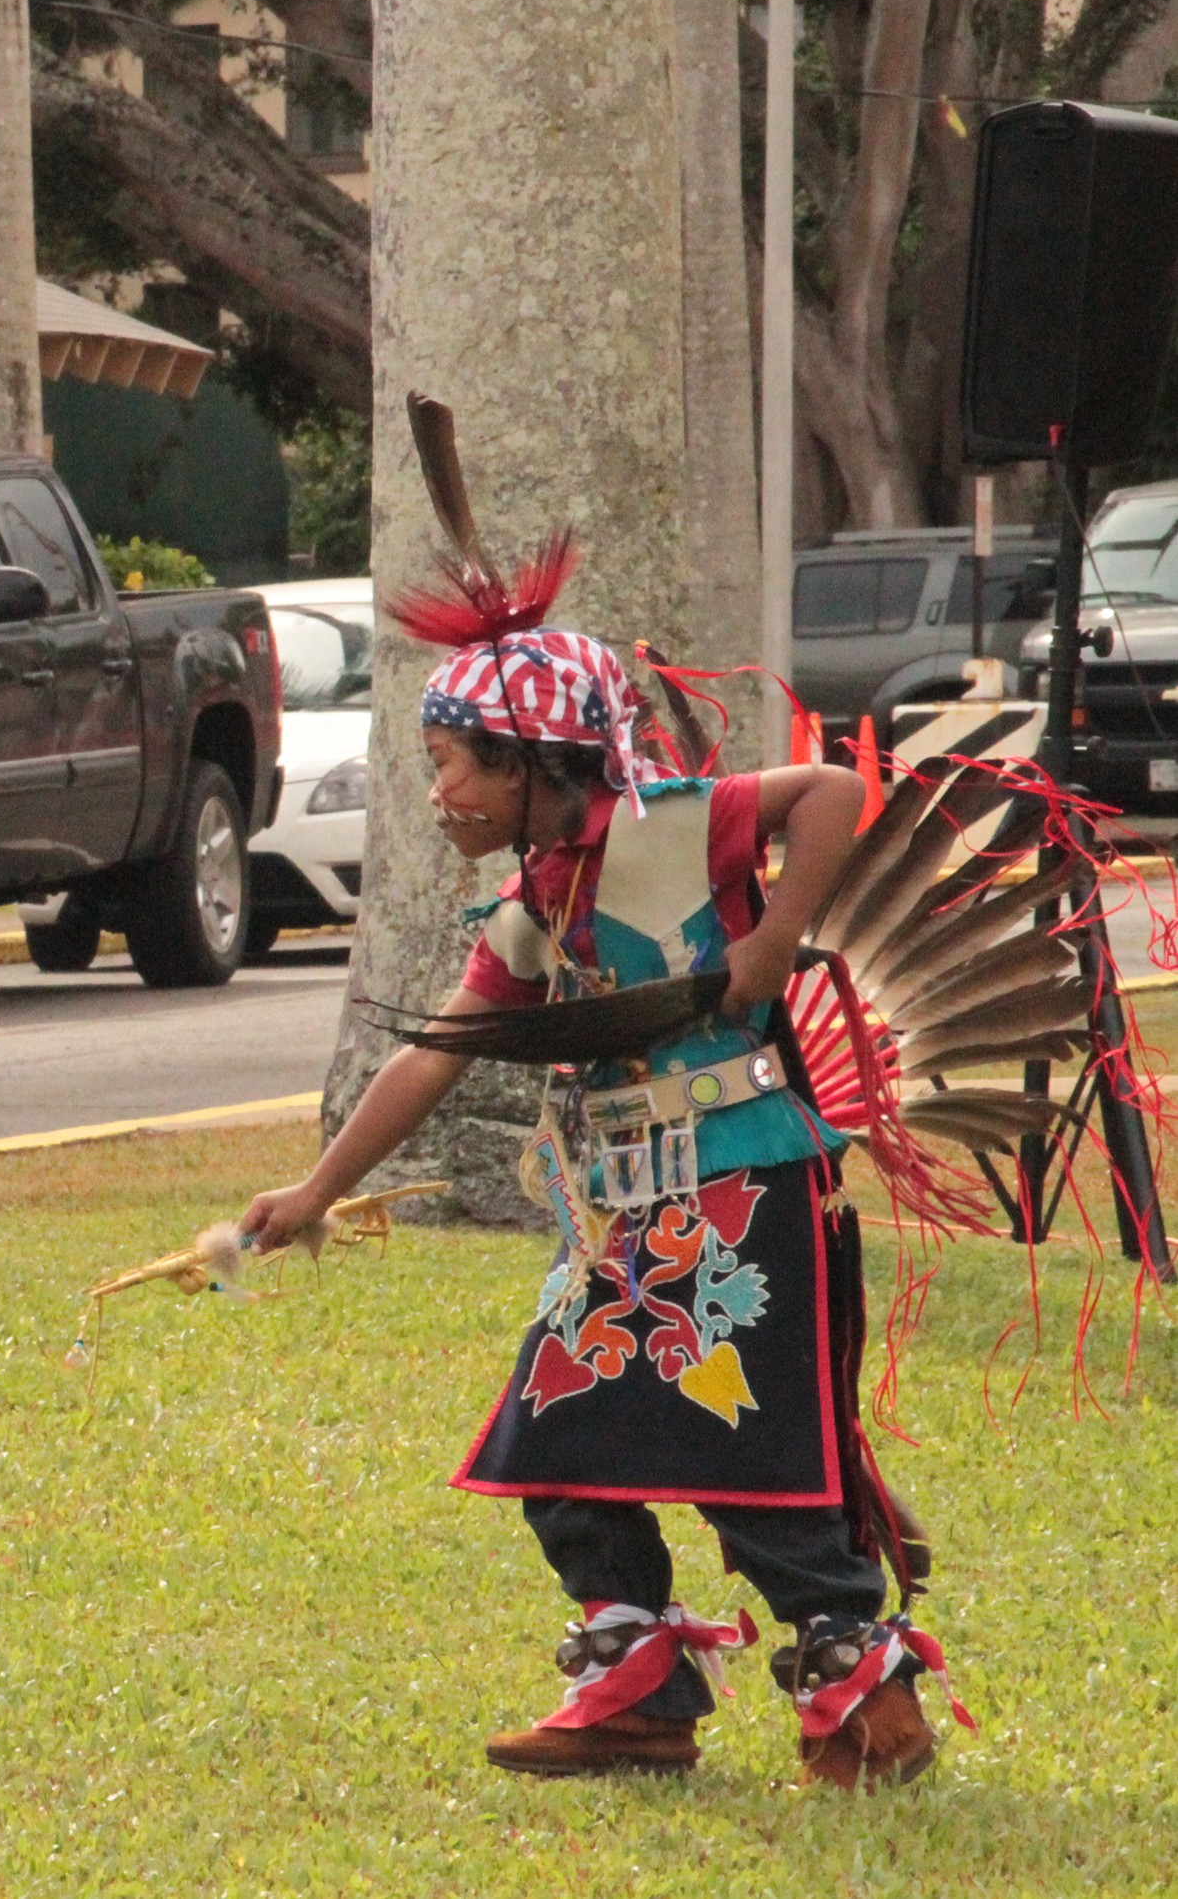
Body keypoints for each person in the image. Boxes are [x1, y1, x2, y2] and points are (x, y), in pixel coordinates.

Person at [242, 535, 950, 1790]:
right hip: (625, 1213)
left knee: (746, 1453)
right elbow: (437, 1052)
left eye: (449, 761)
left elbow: (830, 795)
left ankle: (864, 1705)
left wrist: (776, 937)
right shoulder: (536, 898)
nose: (435, 791)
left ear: (527, 761)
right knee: (553, 1437)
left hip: (747, 1185)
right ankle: (637, 1690)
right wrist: (315, 1189)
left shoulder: (674, 828)